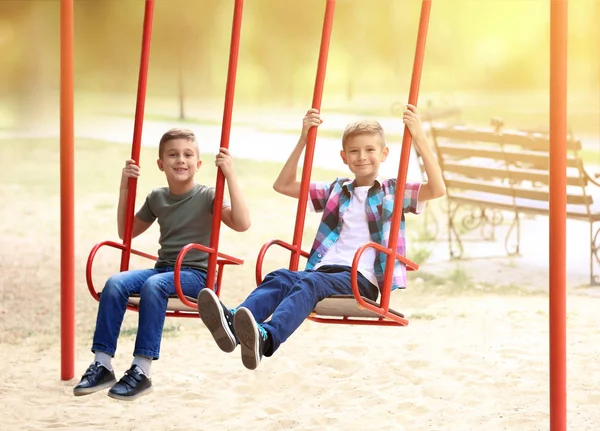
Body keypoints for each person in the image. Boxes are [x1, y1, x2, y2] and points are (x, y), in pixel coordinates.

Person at [197, 105, 445, 370]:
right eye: (354, 151)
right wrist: (305, 137)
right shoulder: (336, 190)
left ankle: (267, 338)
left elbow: (437, 188)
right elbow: (283, 185)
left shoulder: (392, 191)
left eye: (370, 150)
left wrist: (418, 136)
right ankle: (234, 324)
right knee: (281, 277)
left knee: (311, 283)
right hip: (326, 272)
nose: (362, 157)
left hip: (361, 279)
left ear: (384, 154)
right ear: (344, 156)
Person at [73, 128, 251, 400]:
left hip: (197, 276)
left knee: (154, 286)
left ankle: (141, 370)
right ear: (160, 164)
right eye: (173, 155)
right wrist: (124, 186)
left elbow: (242, 223)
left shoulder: (208, 195)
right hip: (164, 270)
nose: (181, 160)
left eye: (187, 154)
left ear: (199, 164)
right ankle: (102, 364)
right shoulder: (157, 197)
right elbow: (127, 231)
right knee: (115, 283)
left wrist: (231, 176)